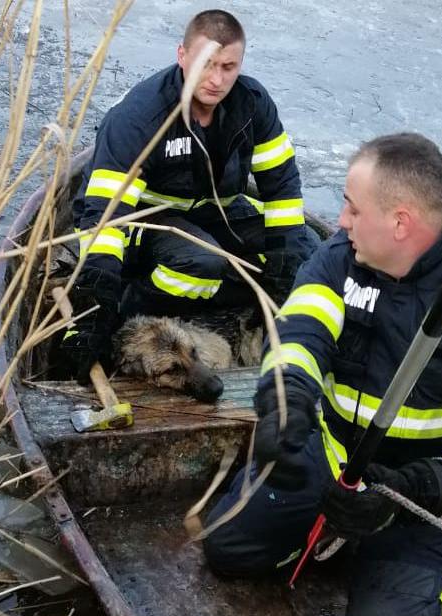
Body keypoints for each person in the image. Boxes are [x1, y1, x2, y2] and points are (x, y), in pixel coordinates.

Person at [202, 133, 442, 616]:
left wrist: (419, 488)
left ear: (401, 223)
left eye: (351, 206)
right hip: (333, 458)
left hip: (419, 498)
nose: (340, 220)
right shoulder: (340, 260)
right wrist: (285, 401)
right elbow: (300, 334)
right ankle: (336, 538)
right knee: (228, 547)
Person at [60, 9, 317, 380]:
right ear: (182, 56)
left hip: (215, 214)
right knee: (203, 263)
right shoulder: (142, 118)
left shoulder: (252, 105)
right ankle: (135, 302)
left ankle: (254, 304)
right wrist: (94, 310)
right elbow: (105, 218)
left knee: (304, 248)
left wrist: (280, 273)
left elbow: (282, 191)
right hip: (144, 222)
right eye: (206, 64)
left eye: (228, 67)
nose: (216, 79)